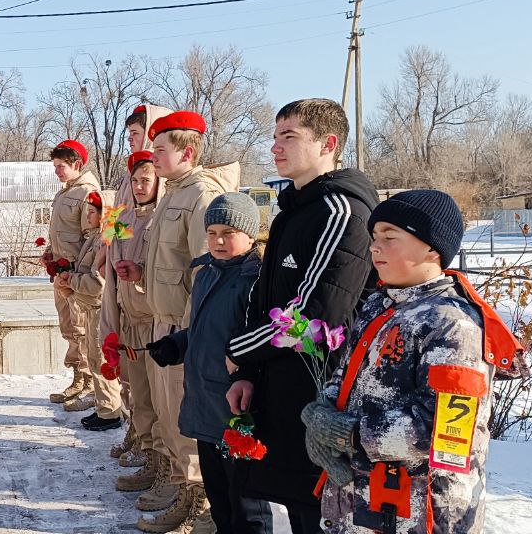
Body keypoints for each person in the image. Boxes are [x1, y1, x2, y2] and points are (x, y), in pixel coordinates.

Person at [303, 190, 521, 534]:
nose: (374, 247)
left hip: (419, 514)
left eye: (390, 237)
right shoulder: (379, 306)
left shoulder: (452, 325)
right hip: (360, 503)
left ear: (432, 248)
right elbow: (344, 376)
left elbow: (447, 431)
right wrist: (320, 414)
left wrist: (351, 435)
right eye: (374, 237)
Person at [225, 98, 379, 534]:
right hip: (280, 384)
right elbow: (263, 294)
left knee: (317, 513)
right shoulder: (293, 208)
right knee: (290, 503)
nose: (275, 146)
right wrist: (248, 371)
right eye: (275, 136)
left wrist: (239, 349)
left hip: (320, 391)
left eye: (289, 136)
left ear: (328, 144)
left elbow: (313, 315)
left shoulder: (341, 212)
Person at [146, 193, 274, 534]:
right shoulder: (205, 273)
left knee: (246, 502)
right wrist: (177, 344)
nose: (218, 240)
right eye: (212, 231)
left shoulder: (256, 280)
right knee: (220, 499)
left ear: (250, 235)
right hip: (205, 402)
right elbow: (203, 330)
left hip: (235, 409)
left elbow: (255, 341)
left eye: (228, 232)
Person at [140, 110, 242, 533]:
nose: (154, 157)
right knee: (168, 415)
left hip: (185, 328)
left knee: (189, 423)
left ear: (188, 150)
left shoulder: (201, 194)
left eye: (161, 150)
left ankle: (199, 504)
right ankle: (180, 486)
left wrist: (188, 335)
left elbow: (207, 270)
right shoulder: (173, 192)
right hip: (163, 322)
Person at [104, 105, 171, 498]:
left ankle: (163, 462)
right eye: (129, 133)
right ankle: (142, 440)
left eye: (136, 132)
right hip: (125, 303)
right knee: (135, 387)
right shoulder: (124, 188)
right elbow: (111, 238)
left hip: (155, 315)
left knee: (160, 398)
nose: (132, 138)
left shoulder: (168, 194)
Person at [44, 139, 102, 407]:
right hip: (61, 272)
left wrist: (78, 271)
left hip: (76, 274)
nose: (57, 171)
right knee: (69, 326)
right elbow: (61, 231)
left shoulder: (87, 192)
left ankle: (89, 383)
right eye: (55, 166)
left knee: (81, 327)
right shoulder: (64, 192)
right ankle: (78, 378)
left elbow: (91, 235)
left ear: (77, 164)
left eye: (61, 166)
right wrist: (50, 253)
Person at [58, 191, 110, 416]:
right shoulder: (95, 236)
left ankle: (108, 410)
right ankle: (100, 402)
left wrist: (72, 281)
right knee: (93, 355)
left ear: (104, 214)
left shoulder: (107, 240)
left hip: (99, 307)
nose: (87, 217)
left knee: (100, 359)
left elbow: (99, 282)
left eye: (91, 212)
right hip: (89, 306)